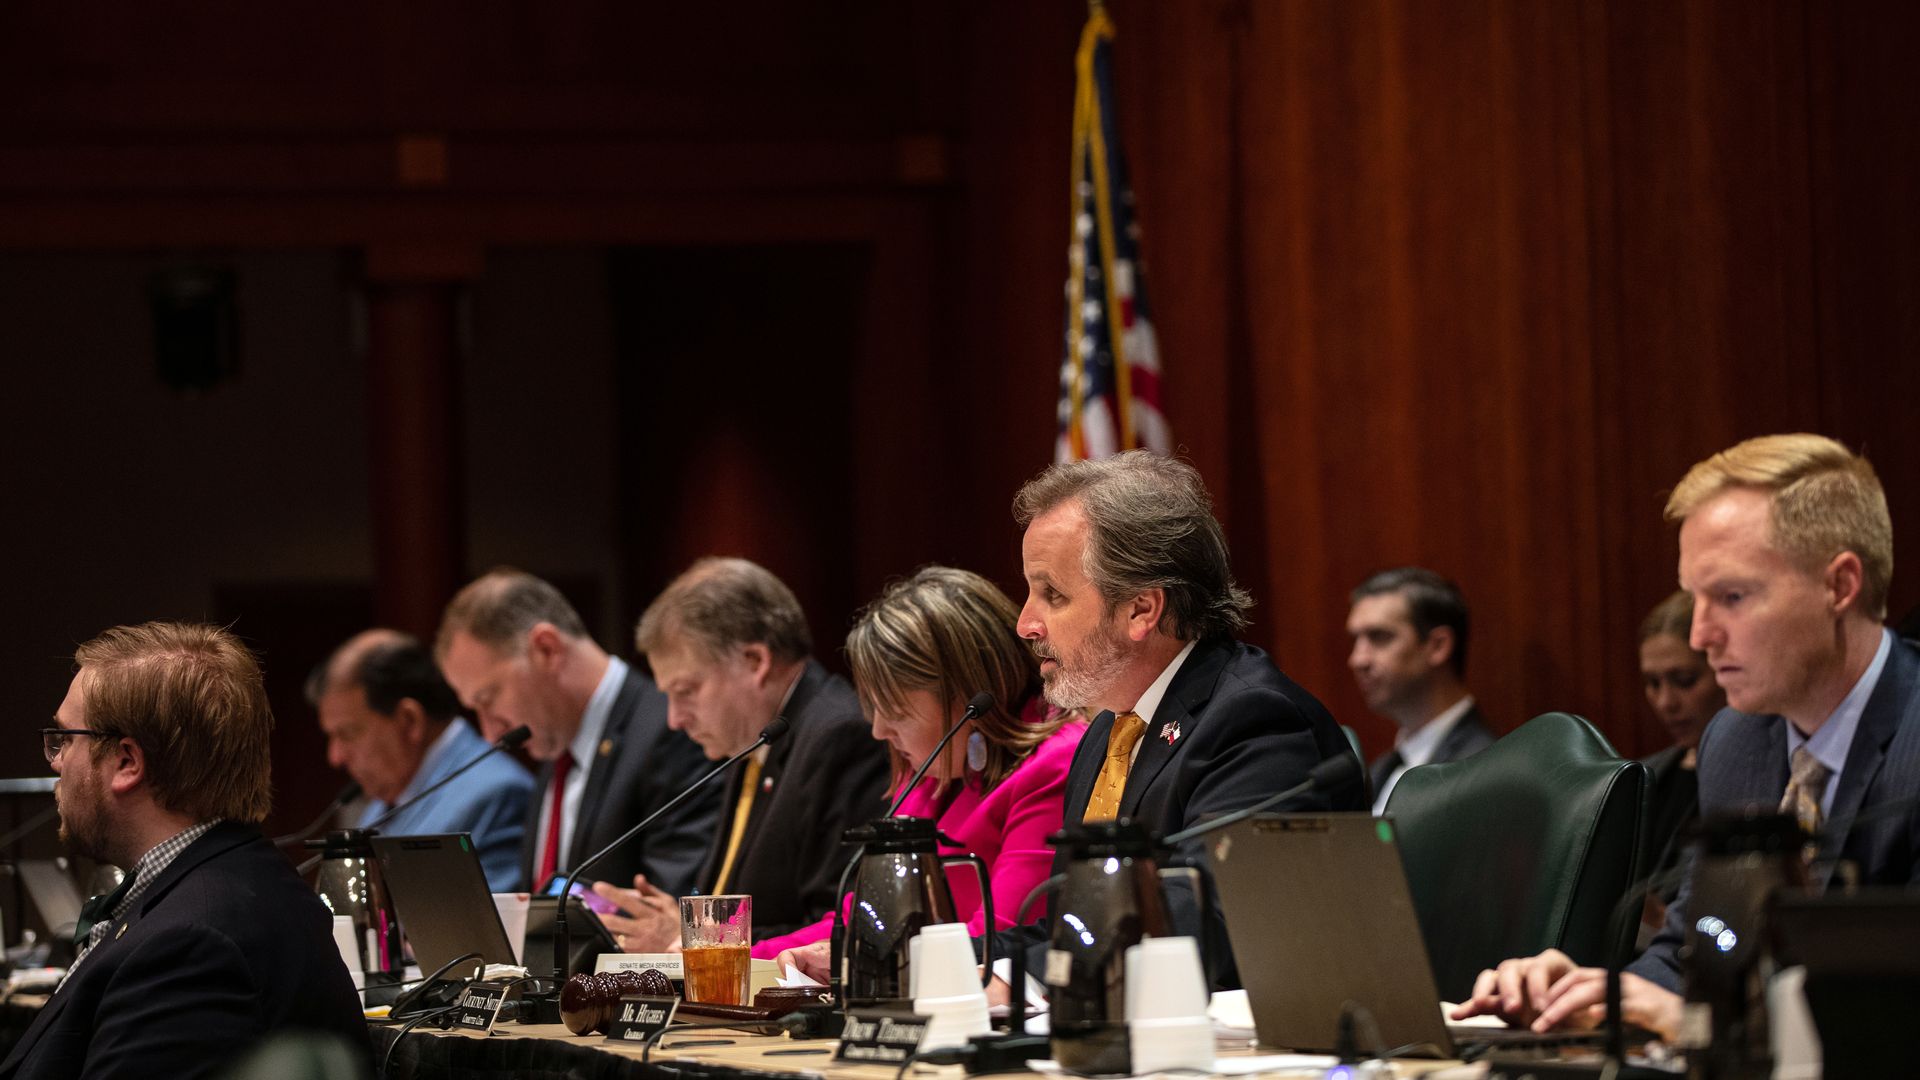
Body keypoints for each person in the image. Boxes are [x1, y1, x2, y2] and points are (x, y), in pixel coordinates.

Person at [1453, 433, 1920, 1040]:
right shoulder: (1738, 739)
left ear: (1840, 586)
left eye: (1731, 596)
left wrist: (1693, 1022)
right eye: (1693, 598)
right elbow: (1692, 951)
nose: (1701, 635)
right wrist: (1595, 996)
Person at [996, 450, 1367, 991]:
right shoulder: (1108, 732)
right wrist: (954, 965)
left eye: (1052, 594)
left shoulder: (1254, 721)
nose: (1025, 623)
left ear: (1142, 610)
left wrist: (1026, 980)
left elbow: (1210, 926)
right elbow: (1068, 926)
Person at [0, 622, 369, 1079]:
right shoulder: (217, 887)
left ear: (127, 762)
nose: (56, 761)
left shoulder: (193, 943)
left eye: (66, 740)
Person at [766, 566, 1086, 974]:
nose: (880, 730)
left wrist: (859, 959)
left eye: (895, 709)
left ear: (969, 691)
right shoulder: (935, 773)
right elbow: (856, 923)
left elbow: (999, 940)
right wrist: (732, 955)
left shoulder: (1053, 764)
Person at [590, 557, 892, 949]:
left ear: (754, 662)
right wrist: (689, 922)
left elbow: (835, 930)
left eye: (686, 691)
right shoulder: (755, 735)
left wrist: (696, 937)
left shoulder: (838, 738)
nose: (674, 720)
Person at [436, 568, 720, 895]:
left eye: (488, 699)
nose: (489, 732)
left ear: (546, 649)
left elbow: (671, 907)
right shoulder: (554, 740)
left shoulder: (672, 731)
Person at [308, 628, 534, 890]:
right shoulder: (382, 801)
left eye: (348, 733)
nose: (335, 757)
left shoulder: (498, 793)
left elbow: (492, 927)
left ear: (409, 720)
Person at [1346, 567, 1495, 810]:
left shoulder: (1485, 768)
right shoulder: (1381, 770)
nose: (1358, 659)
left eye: (1379, 637)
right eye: (1355, 640)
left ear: (1437, 646)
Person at [1633, 590, 1724, 937]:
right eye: (1652, 684)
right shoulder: (1641, 777)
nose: (1665, 702)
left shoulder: (1759, 777)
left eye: (1684, 681)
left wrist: (1659, 921)